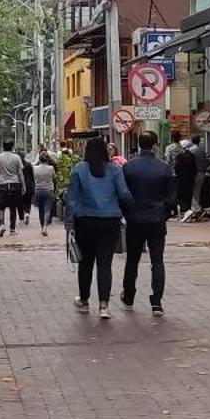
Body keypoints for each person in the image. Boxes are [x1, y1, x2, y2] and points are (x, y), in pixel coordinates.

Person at [64, 135, 131, 319]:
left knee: (85, 263)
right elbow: (124, 193)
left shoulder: (79, 169)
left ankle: (84, 301)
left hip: (85, 220)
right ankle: (104, 305)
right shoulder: (115, 170)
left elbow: (72, 199)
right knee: (104, 264)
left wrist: (69, 223)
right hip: (109, 221)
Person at [119, 131, 176, 314]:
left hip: (134, 219)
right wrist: (164, 212)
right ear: (155, 145)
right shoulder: (164, 168)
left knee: (132, 260)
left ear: (138, 143)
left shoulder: (128, 167)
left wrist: (127, 213)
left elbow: (123, 194)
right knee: (157, 261)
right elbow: (172, 197)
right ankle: (156, 301)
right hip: (157, 219)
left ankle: (129, 295)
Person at [0, 139, 26, 236]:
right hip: (15, 184)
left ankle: (2, 224)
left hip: (2, 184)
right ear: (12, 146)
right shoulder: (17, 157)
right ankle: (12, 229)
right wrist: (23, 185)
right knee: (13, 208)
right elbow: (20, 173)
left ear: (3, 146)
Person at [172, 138, 199, 220]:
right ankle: (188, 211)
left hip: (181, 179)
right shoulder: (192, 156)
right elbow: (194, 168)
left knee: (179, 196)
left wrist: (177, 175)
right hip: (190, 179)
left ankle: (186, 210)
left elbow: (176, 168)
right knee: (188, 196)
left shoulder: (179, 156)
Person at [32, 150, 57, 233]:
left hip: (38, 190)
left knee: (41, 210)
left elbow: (34, 178)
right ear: (47, 159)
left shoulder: (35, 168)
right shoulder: (51, 168)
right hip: (49, 190)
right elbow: (54, 178)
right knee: (47, 209)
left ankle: (42, 225)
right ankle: (45, 226)